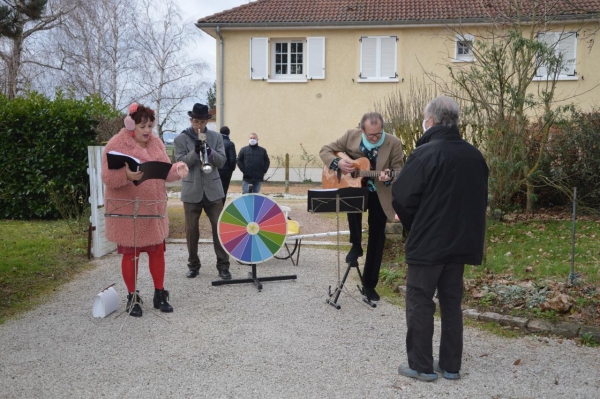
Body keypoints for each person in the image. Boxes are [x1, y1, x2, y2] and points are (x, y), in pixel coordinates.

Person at [392, 96, 488, 382]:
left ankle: (421, 365)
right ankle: (450, 366)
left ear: (430, 121)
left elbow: (402, 197)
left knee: (420, 300)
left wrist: (415, 225)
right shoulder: (474, 155)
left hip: (429, 243)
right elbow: (479, 199)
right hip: (460, 241)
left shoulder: (424, 154)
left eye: (425, 119)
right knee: (451, 302)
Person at [101, 103, 188, 317]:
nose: (148, 130)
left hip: (152, 210)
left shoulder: (157, 144)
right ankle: (133, 297)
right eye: (142, 126)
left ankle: (160, 294)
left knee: (157, 252)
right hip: (128, 213)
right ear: (131, 125)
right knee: (131, 254)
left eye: (150, 125)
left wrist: (178, 170)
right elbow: (106, 176)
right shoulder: (116, 144)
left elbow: (166, 172)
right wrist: (126, 176)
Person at [319, 112, 404, 302]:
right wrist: (338, 162)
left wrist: (390, 175)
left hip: (380, 193)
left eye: (378, 134)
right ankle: (356, 246)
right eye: (370, 135)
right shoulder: (350, 136)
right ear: (362, 130)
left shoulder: (393, 142)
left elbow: (399, 168)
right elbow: (325, 150)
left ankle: (369, 284)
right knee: (352, 205)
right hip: (356, 188)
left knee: (377, 237)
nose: (375, 138)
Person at [174, 103, 232, 280]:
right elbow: (180, 164)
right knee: (191, 231)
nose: (199, 125)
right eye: (196, 121)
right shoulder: (181, 139)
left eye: (202, 121)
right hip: (192, 191)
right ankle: (193, 265)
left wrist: (209, 152)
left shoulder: (216, 137)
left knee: (220, 229)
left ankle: (223, 266)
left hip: (213, 191)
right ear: (191, 120)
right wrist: (195, 152)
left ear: (207, 120)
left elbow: (222, 162)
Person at [218, 126, 237, 204]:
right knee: (224, 188)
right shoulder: (230, 144)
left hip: (216, 169)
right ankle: (221, 205)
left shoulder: (217, 143)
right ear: (228, 133)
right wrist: (231, 169)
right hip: (226, 170)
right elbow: (233, 159)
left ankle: (214, 207)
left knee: (216, 188)